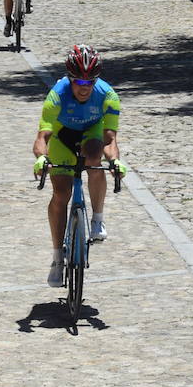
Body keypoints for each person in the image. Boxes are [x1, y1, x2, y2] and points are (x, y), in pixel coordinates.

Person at [33, 46, 123, 288]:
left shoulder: (108, 95)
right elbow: (42, 137)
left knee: (94, 159)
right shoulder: (57, 95)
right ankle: (57, 258)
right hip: (62, 137)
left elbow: (110, 139)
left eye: (90, 81)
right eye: (79, 81)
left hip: (90, 133)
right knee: (61, 194)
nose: (85, 87)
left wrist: (114, 161)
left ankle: (97, 220)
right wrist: (41, 158)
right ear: (70, 78)